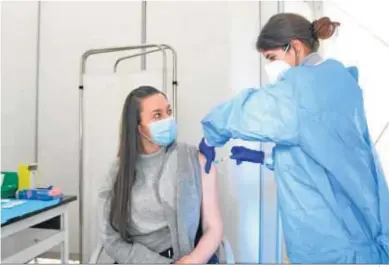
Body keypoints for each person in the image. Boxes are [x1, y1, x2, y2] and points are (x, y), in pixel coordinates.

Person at [199, 13, 389, 264]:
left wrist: (210, 135)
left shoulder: (299, 90)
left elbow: (243, 112)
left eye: (271, 58)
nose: (270, 68)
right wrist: (264, 157)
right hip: (362, 231)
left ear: (296, 47)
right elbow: (325, 157)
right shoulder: (339, 82)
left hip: (331, 246)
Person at [98, 86, 223, 264]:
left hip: (189, 258)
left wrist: (190, 261)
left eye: (168, 112)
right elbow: (111, 239)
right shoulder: (117, 173)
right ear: (138, 126)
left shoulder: (194, 160)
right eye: (157, 115)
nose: (168, 119)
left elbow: (213, 226)